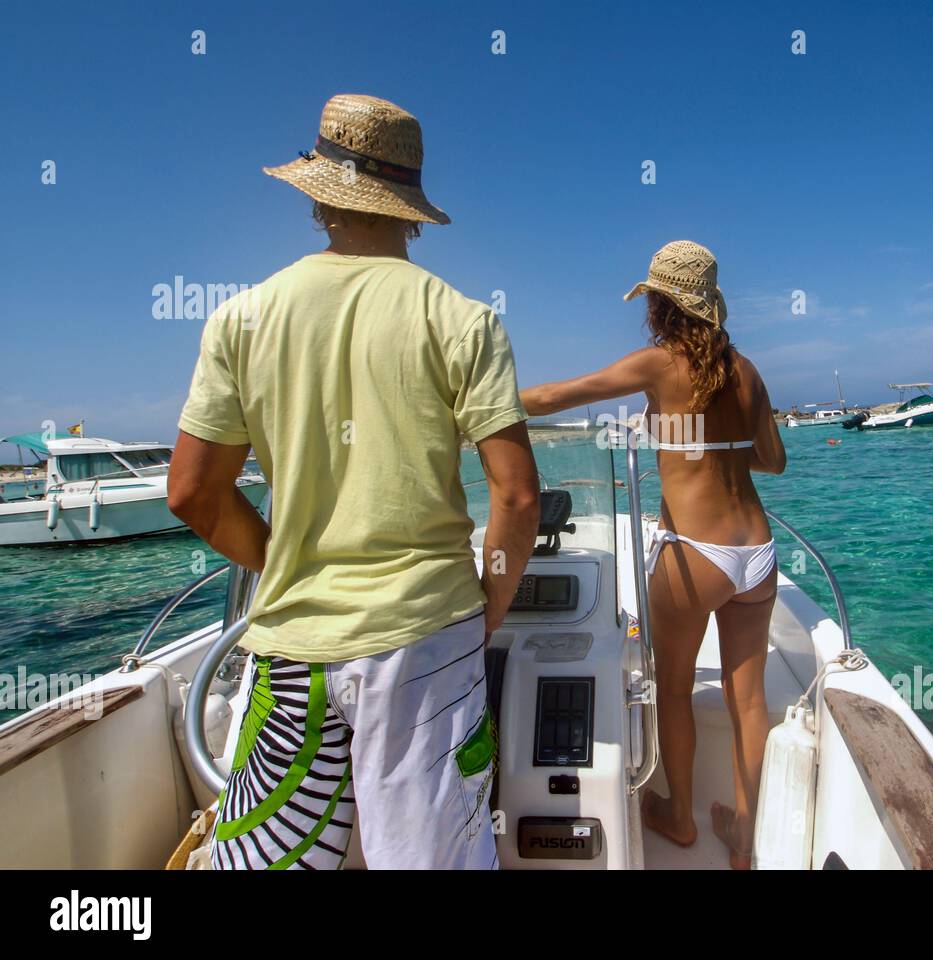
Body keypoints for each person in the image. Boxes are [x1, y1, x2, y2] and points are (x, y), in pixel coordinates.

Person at [169, 94, 539, 870]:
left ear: (315, 195)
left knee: (273, 856)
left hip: (291, 643)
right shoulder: (461, 319)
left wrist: (285, 563)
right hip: (426, 637)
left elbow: (193, 493)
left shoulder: (242, 318)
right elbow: (515, 495)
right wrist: (486, 611)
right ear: (410, 209)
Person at [519, 240, 786, 869]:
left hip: (696, 554)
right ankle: (745, 838)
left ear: (661, 305)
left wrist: (468, 405)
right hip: (758, 550)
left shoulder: (659, 364)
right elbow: (773, 460)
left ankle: (679, 815)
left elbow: (562, 393)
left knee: (673, 688)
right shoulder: (746, 369)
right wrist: (717, 441)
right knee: (748, 701)